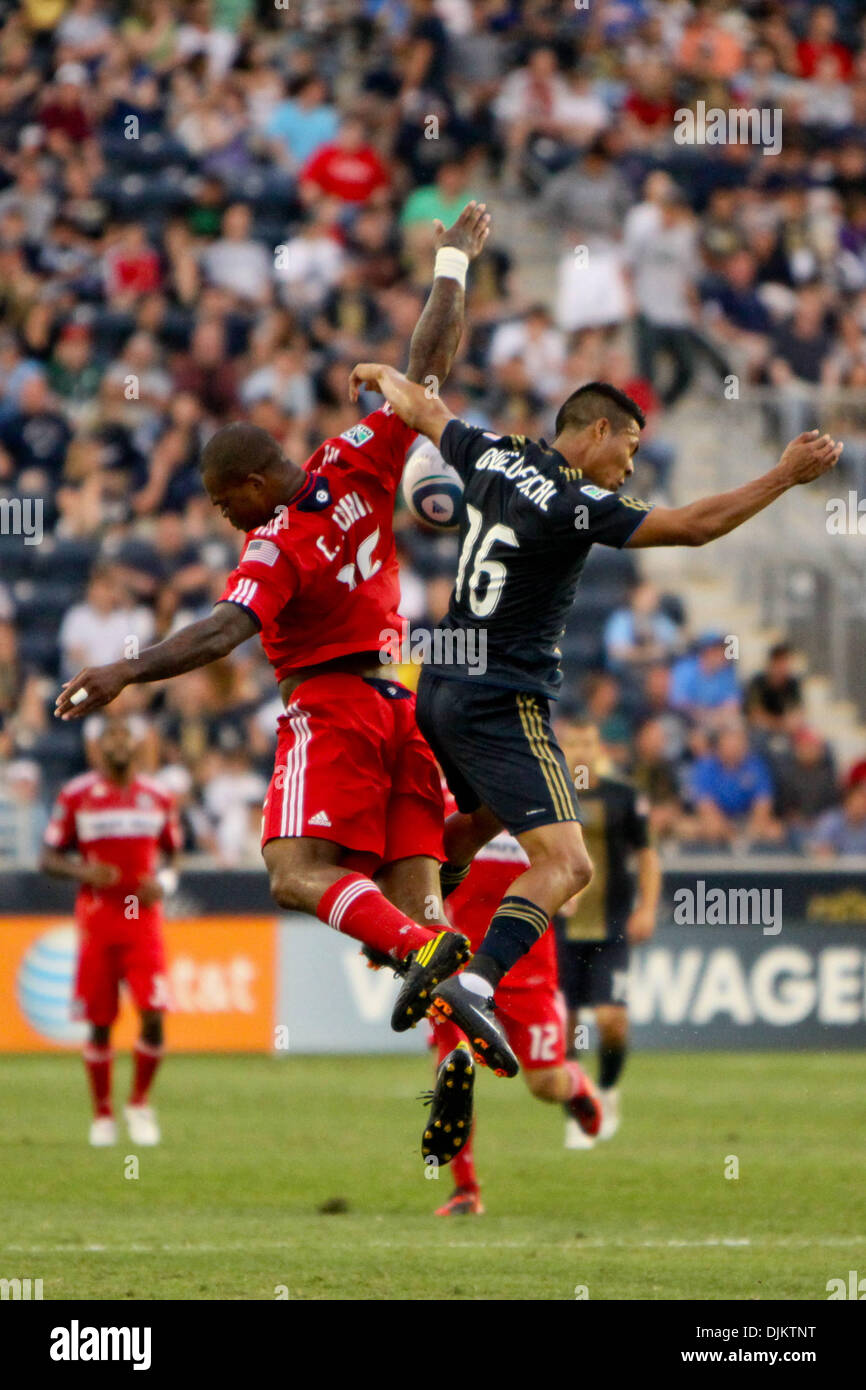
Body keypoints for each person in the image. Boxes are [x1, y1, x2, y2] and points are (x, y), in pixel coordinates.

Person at [54, 205, 507, 1149]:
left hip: (334, 708)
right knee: (415, 911)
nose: (224, 518)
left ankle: (433, 954)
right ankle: (455, 1025)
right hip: (403, 705)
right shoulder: (357, 458)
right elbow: (427, 367)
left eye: (225, 501)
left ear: (256, 483)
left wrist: (124, 670)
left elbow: (224, 632)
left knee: (294, 874)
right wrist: (453, 263)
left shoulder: (275, 544)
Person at [344, 356, 842, 1077]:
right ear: (599, 430)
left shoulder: (493, 454)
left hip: (441, 683)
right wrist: (782, 475)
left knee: (483, 823)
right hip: (501, 697)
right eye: (630, 449)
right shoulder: (573, 502)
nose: (631, 467)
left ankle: (397, 933)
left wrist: (384, 373)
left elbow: (426, 410)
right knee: (567, 864)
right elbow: (695, 526)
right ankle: (475, 983)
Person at [424, 795, 601, 1214]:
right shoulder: (447, 802)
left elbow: (578, 864)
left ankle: (573, 1084)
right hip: (459, 965)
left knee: (544, 1085)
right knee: (453, 1075)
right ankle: (466, 1190)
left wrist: (570, 892)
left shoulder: (532, 795)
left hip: (528, 968)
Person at [40, 717, 181, 1147]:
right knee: (100, 1023)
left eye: (125, 735)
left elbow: (173, 857)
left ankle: (138, 1103)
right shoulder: (77, 795)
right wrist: (83, 869)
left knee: (153, 1014)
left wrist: (166, 884)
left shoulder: (158, 797)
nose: (118, 743)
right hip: (99, 920)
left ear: (136, 745)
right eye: (110, 737)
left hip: (143, 922)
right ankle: (102, 1114)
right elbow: (48, 857)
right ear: (98, 747)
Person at [553, 719, 659, 1149]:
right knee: (565, 1026)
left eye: (587, 742)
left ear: (599, 747)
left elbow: (648, 856)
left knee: (612, 1020)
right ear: (561, 746)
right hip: (558, 931)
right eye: (572, 742)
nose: (580, 750)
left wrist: (648, 908)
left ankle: (609, 1089)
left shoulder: (624, 796)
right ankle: (580, 1110)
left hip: (611, 928)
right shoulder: (550, 794)